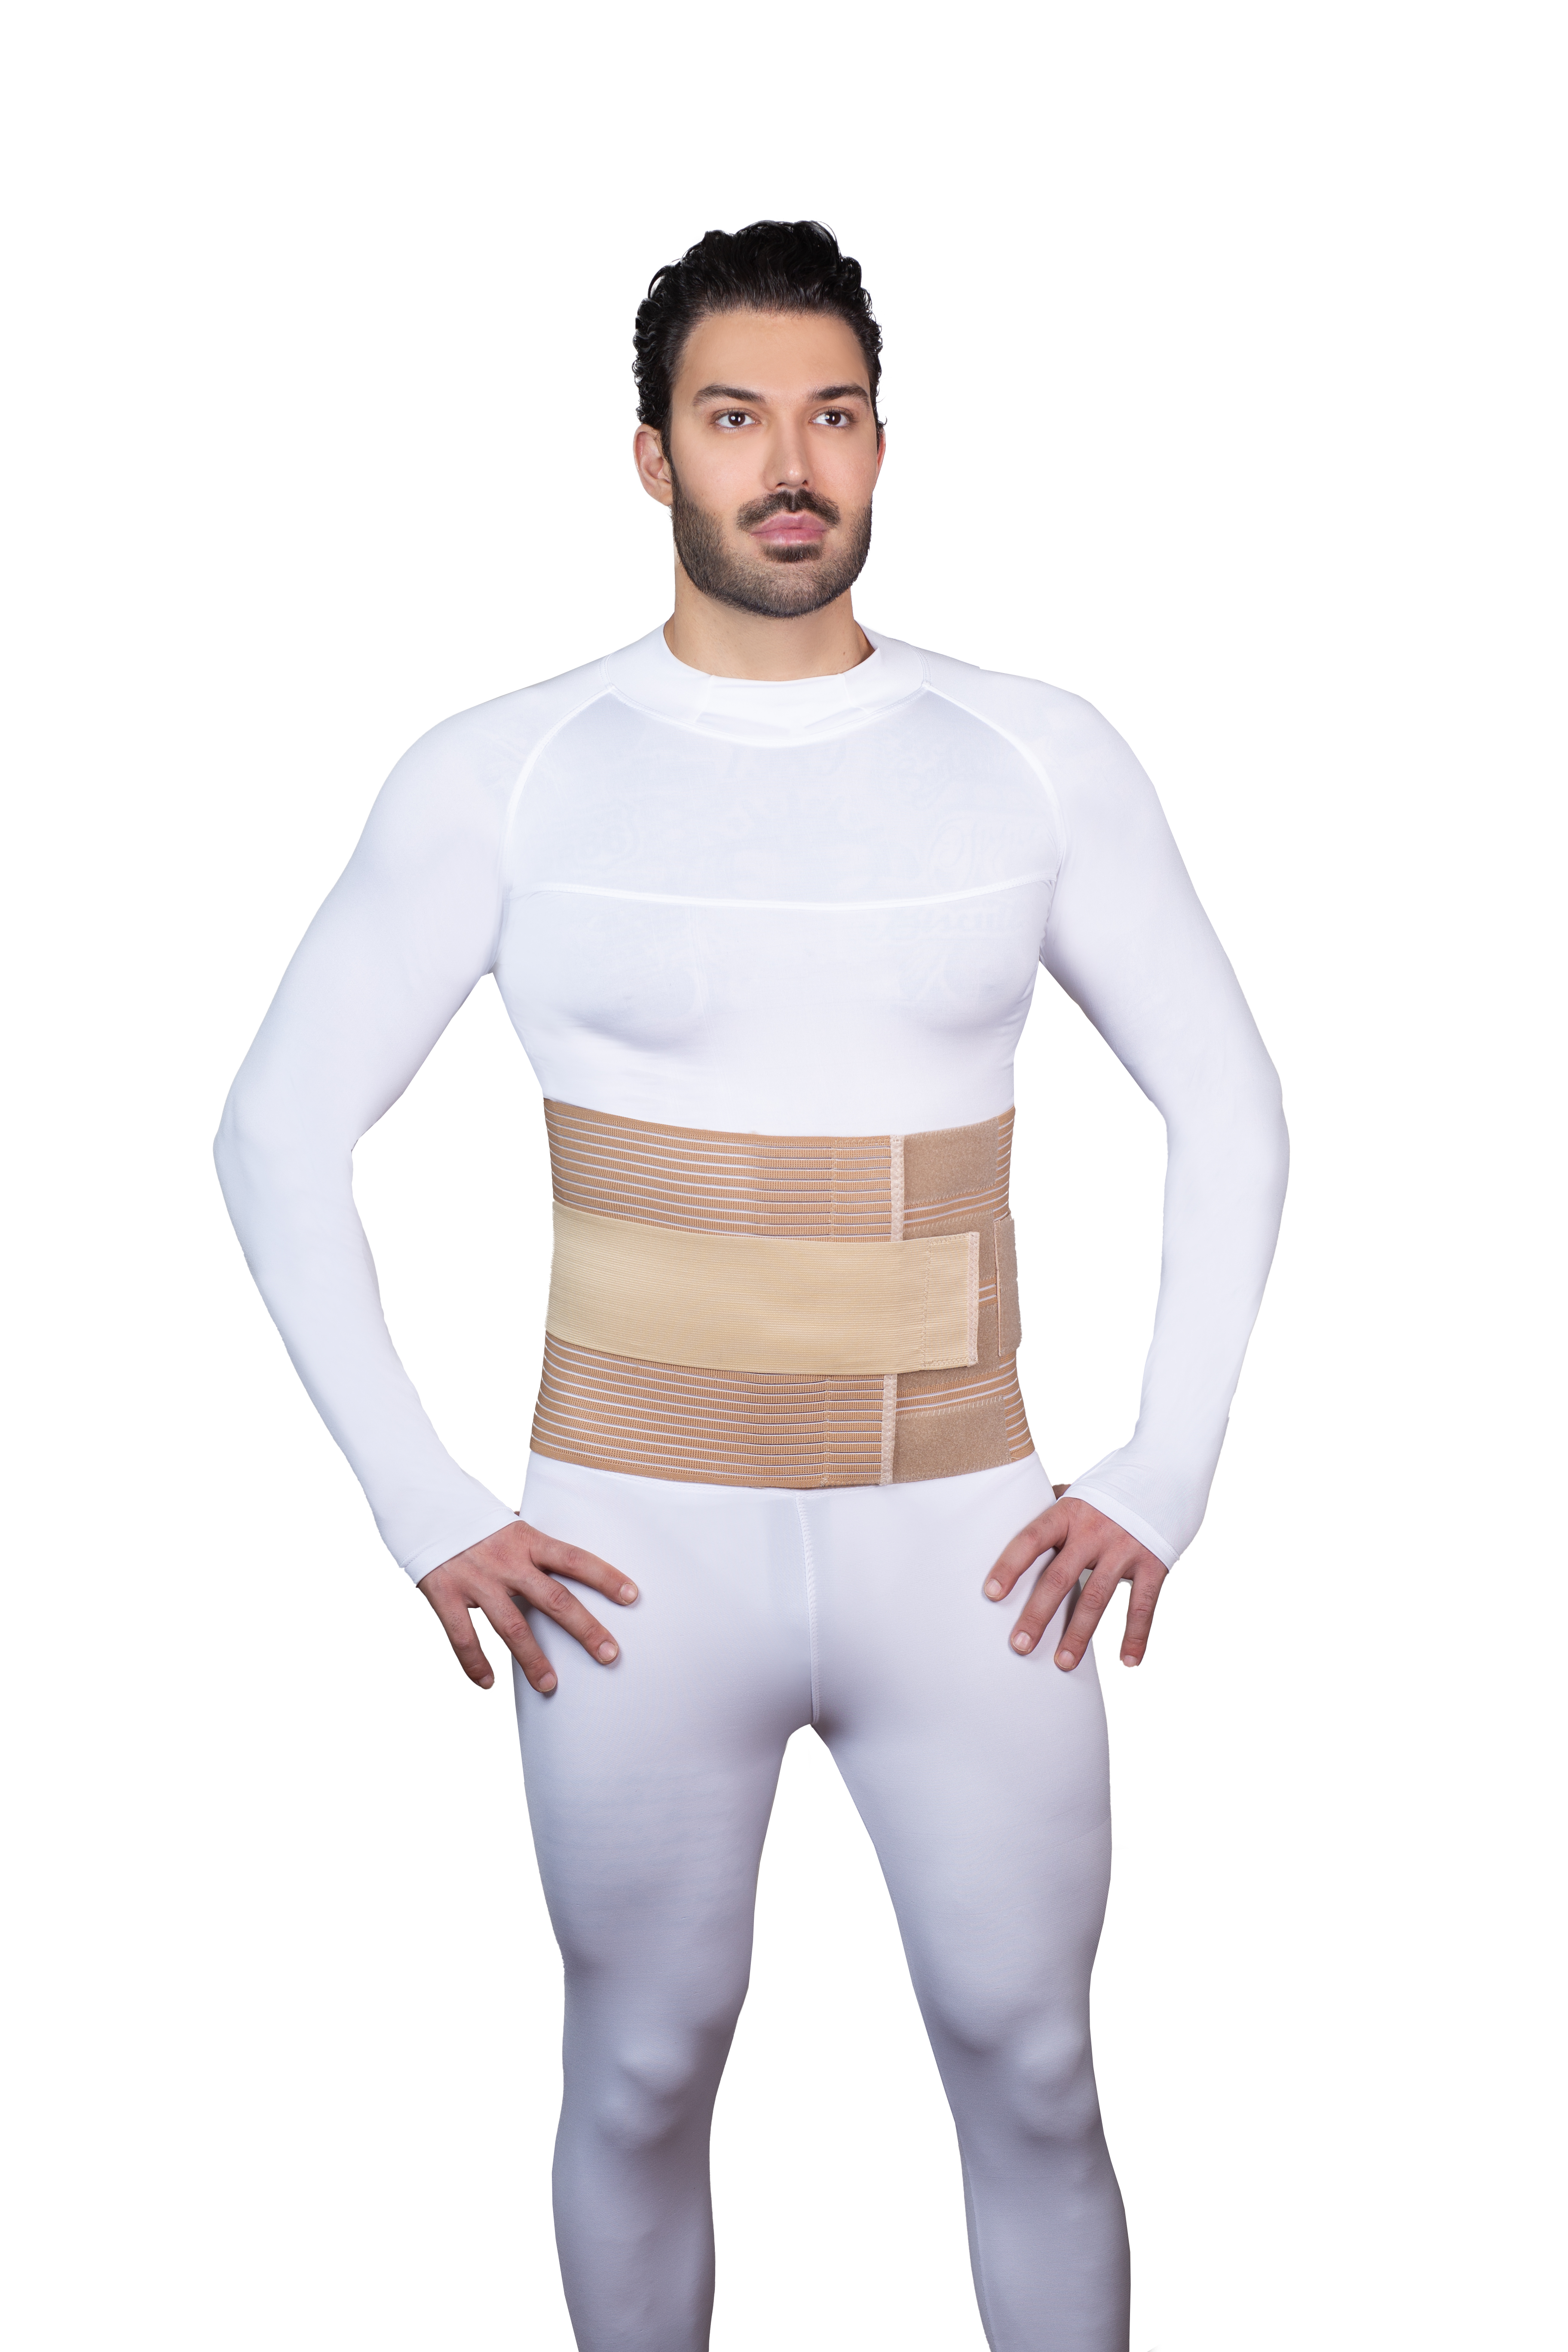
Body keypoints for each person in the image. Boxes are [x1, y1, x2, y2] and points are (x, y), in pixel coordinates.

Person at [216, 219, 1287, 2352]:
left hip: (965, 1551)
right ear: (653, 457)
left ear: (881, 442)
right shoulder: (510, 769)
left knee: (1038, 2072)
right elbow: (273, 1131)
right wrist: (423, 1506)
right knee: (638, 2075)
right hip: (636, 1556)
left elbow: (1233, 1103)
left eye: (832, 415)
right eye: (735, 419)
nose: (790, 463)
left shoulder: (1033, 753)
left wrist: (1166, 1470)